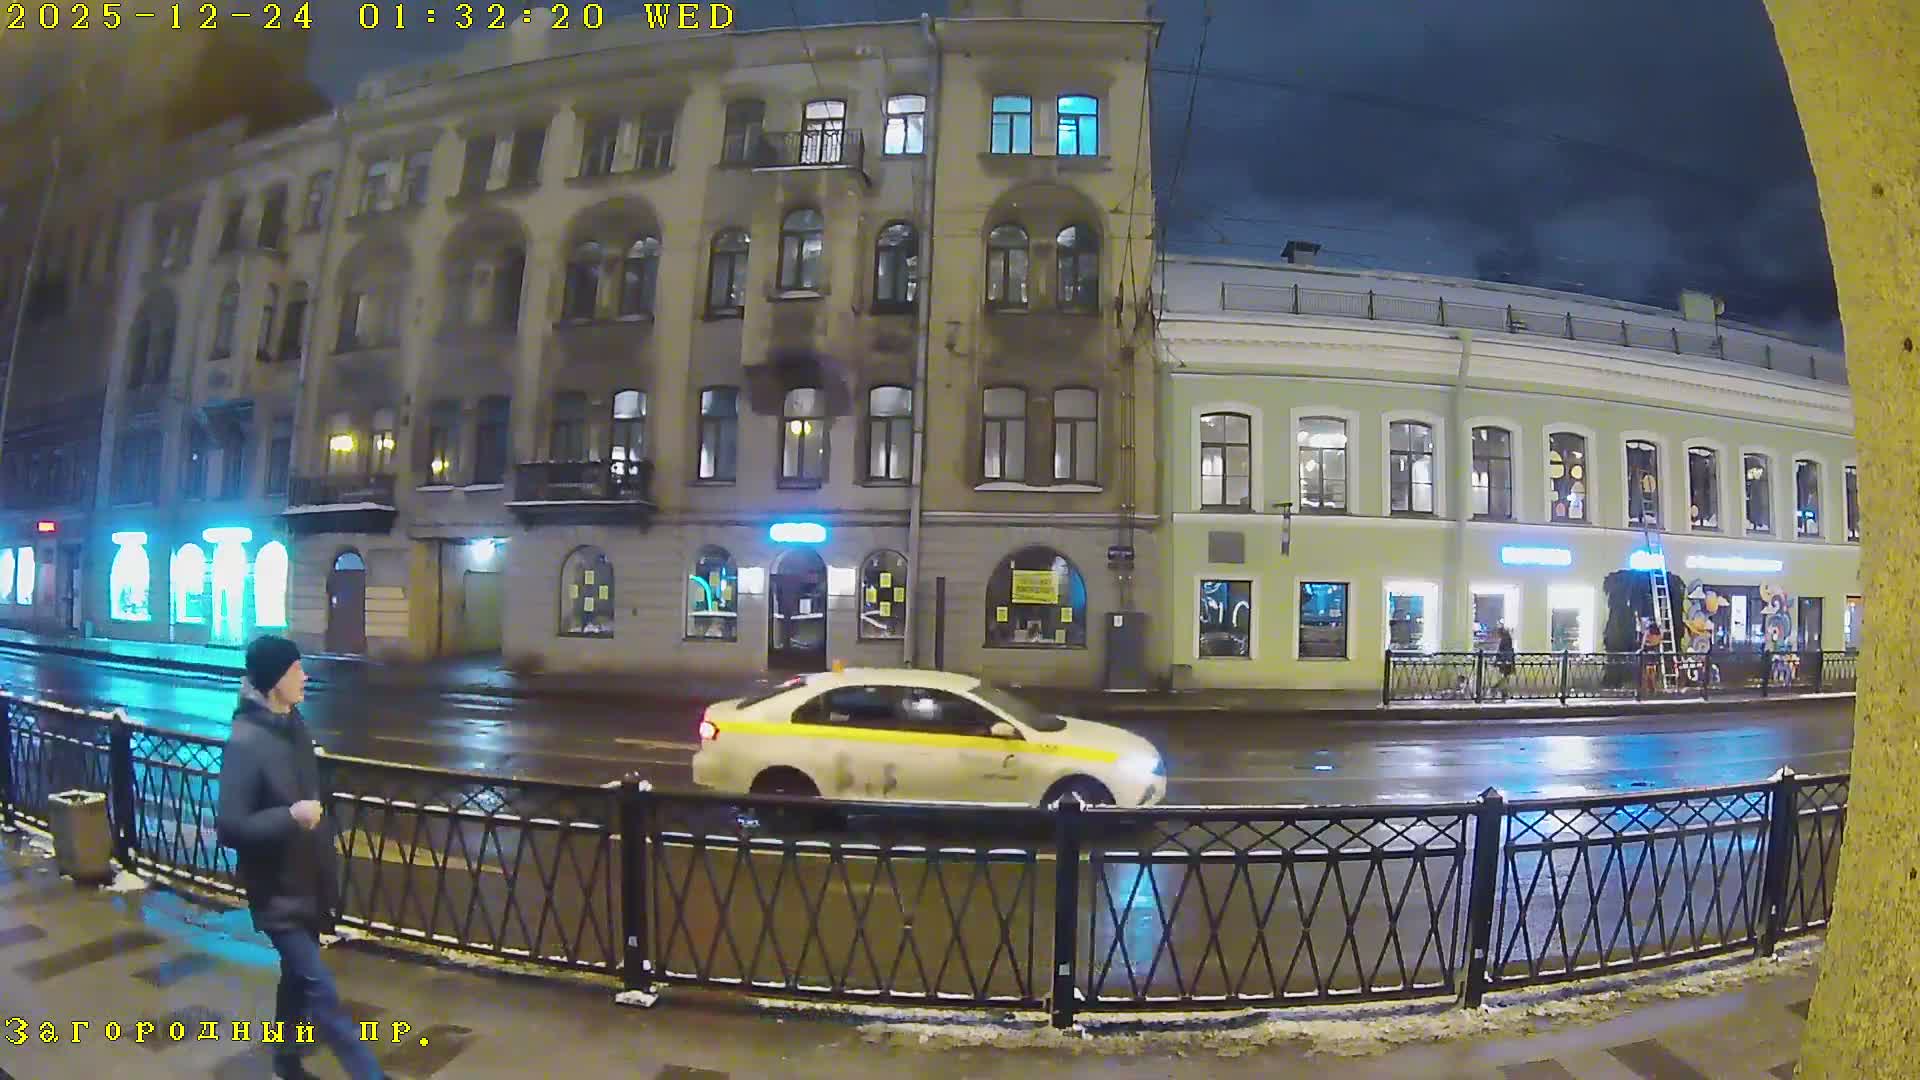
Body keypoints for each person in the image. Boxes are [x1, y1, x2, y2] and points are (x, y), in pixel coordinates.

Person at [215, 635, 386, 1080]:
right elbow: (231, 827)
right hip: (277, 893)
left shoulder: (293, 724)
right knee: (321, 992)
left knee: (295, 980)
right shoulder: (246, 742)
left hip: (308, 882)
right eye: (295, 670)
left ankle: (285, 1059)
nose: (304, 676)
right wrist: (290, 817)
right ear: (275, 680)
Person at [1493, 625, 1517, 701]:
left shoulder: (1504, 640)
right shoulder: (1508, 639)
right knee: (1506, 677)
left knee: (1505, 677)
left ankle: (1497, 688)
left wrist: (1497, 661)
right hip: (1508, 661)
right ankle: (1503, 693)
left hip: (1505, 661)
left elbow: (1502, 651)